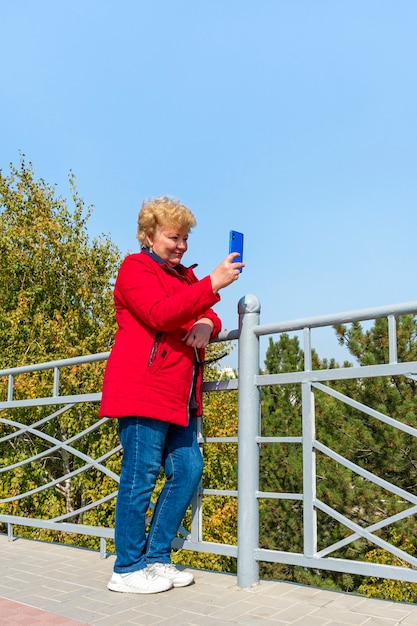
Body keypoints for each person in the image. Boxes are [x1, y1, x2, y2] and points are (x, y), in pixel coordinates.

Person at [99, 196, 244, 594]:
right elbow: (161, 314)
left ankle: (157, 558)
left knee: (188, 470)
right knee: (140, 476)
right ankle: (126, 568)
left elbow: (207, 314)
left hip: (180, 393)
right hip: (144, 388)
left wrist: (204, 319)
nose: (181, 246)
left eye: (184, 239)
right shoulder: (135, 268)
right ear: (149, 236)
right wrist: (211, 284)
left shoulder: (183, 277)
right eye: (173, 237)